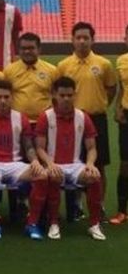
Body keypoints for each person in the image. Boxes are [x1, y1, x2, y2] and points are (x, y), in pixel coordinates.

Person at [35, 76, 106, 241]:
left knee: (94, 176)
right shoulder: (46, 117)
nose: (66, 99)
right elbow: (39, 147)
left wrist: (89, 164)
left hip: (75, 165)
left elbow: (92, 147)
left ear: (75, 95)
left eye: (69, 95)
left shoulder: (83, 117)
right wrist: (50, 163)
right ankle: (54, 222)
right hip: (53, 163)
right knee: (54, 174)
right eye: (62, 95)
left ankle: (94, 224)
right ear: (54, 95)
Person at [0, 80, 48, 241]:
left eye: (6, 97)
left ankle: (32, 224)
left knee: (42, 175)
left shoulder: (21, 118)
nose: (2, 101)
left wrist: (35, 162)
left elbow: (29, 146)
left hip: (16, 164)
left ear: (12, 97)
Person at [57, 22, 116, 197]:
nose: (82, 41)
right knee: (73, 163)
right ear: (72, 40)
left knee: (99, 164)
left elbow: (111, 88)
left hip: (97, 119)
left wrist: (101, 104)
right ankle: (77, 204)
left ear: (93, 40)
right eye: (78, 38)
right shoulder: (63, 66)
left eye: (86, 38)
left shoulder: (104, 64)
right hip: (72, 121)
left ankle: (99, 203)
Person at [3, 32, 58, 125]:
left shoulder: (52, 71)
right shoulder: (9, 71)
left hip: (44, 122)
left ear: (39, 49)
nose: (27, 51)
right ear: (19, 50)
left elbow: (57, 97)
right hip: (17, 122)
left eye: (31, 48)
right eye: (23, 48)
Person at [112, 24, 128, 224]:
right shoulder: (121, 61)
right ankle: (122, 211)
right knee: (125, 165)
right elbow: (120, 89)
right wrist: (117, 108)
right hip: (127, 116)